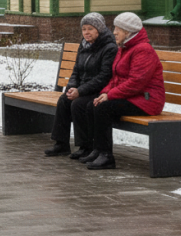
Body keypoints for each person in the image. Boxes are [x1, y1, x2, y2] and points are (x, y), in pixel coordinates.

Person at [77, 12, 165, 170]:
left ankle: (106, 156)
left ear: (129, 32)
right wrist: (104, 93)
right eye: (114, 28)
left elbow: (136, 83)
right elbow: (115, 78)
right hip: (133, 97)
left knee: (103, 108)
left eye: (118, 29)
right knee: (93, 104)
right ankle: (97, 149)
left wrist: (109, 95)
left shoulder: (143, 50)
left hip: (147, 100)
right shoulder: (124, 48)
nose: (114, 32)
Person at [44, 13, 117, 159]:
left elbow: (103, 77)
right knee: (64, 100)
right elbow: (76, 70)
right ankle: (61, 144)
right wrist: (71, 87)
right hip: (83, 89)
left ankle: (86, 146)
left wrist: (80, 90)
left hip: (98, 90)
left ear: (99, 29)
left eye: (90, 28)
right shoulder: (83, 46)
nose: (86, 32)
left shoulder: (109, 48)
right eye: (84, 29)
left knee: (79, 104)